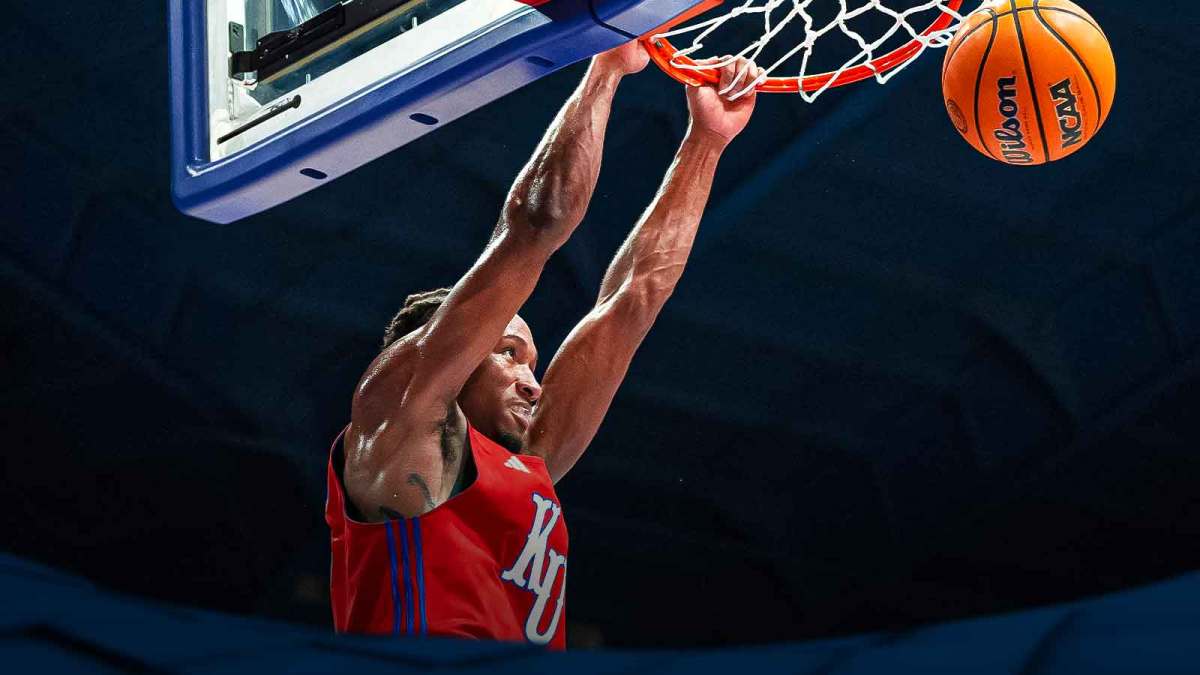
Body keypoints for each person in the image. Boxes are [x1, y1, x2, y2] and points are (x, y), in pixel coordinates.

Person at [326, 42, 762, 648]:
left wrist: (706, 143)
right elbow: (534, 228)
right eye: (506, 352)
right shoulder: (398, 419)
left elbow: (635, 297)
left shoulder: (530, 463)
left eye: (529, 359)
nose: (534, 380)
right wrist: (605, 68)